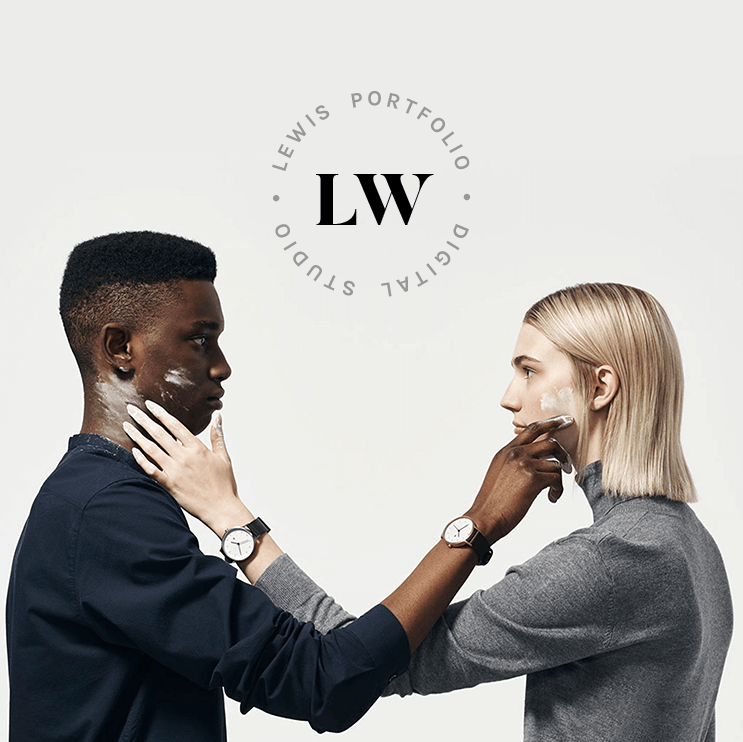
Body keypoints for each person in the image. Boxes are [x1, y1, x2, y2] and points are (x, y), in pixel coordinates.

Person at [6, 231, 572, 742]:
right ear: (119, 348)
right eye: (200, 340)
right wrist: (477, 523)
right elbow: (324, 681)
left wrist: (232, 518)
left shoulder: (103, 497)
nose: (222, 366)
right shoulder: (106, 513)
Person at [132, 282, 733, 742]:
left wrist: (231, 518)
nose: (509, 397)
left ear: (599, 388)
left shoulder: (613, 560)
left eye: (529, 371)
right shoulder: (688, 542)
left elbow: (363, 663)